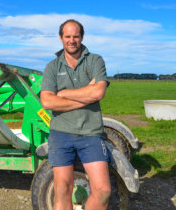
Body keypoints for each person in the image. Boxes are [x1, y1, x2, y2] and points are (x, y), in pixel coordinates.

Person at [40, 19, 112, 210]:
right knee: (62, 190)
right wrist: (85, 95)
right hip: (61, 133)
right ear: (60, 38)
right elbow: (47, 102)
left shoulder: (95, 60)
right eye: (67, 36)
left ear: (82, 37)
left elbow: (98, 93)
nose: (72, 40)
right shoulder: (52, 67)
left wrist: (63, 94)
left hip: (90, 132)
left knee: (103, 191)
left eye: (76, 36)